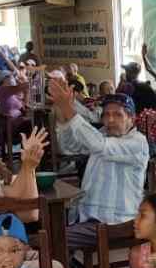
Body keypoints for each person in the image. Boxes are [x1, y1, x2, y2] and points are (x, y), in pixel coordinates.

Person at [49, 80, 149, 254]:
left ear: (132, 119)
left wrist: (69, 110)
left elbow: (99, 146)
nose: (110, 120)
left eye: (118, 115)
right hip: (90, 217)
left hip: (118, 221)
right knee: (48, 230)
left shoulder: (138, 142)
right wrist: (62, 116)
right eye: (106, 115)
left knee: (53, 240)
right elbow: (68, 147)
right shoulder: (102, 134)